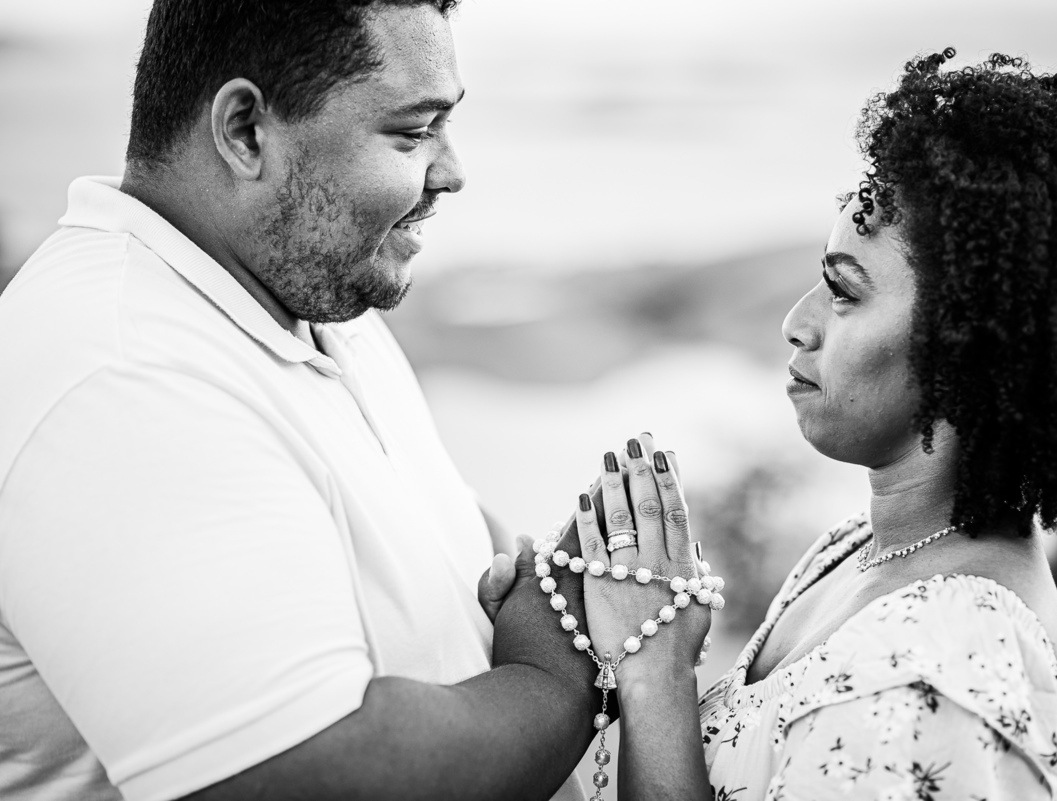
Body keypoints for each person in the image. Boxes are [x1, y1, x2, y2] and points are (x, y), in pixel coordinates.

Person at [0, 2, 606, 799]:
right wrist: (556, 673)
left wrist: (553, 584)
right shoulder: (124, 374)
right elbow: (318, 772)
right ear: (246, 130)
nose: (452, 171)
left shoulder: (310, 304)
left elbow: (456, 569)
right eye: (413, 131)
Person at [562, 50, 1057, 800]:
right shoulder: (862, 549)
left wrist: (659, 672)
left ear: (970, 351)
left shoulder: (935, 670)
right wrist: (587, 651)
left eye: (843, 293)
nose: (794, 324)